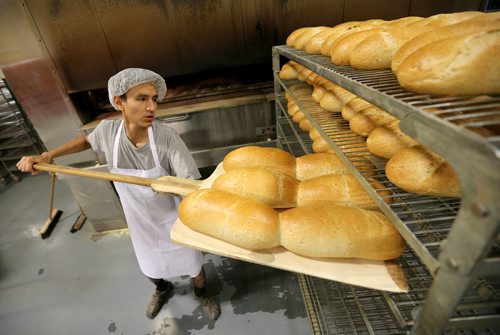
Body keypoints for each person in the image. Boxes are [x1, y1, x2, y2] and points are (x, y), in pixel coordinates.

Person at [16, 68, 221, 320]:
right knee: (149, 265)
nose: (151, 108)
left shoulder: (166, 137)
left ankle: (201, 294)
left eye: (154, 99)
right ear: (118, 102)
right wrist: (47, 156)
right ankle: (162, 288)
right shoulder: (108, 132)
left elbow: (191, 184)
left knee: (192, 264)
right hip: (139, 221)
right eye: (141, 98)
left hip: (173, 218)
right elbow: (87, 142)